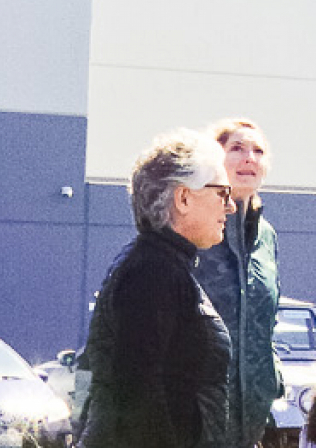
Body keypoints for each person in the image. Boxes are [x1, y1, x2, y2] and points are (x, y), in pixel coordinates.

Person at [77, 130, 236, 448]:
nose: (230, 206)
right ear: (184, 198)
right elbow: (138, 392)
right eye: (222, 192)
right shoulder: (152, 272)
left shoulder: (164, 266)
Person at [194, 117, 283, 448]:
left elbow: (267, 324)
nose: (250, 158)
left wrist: (272, 384)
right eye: (237, 149)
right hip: (196, 419)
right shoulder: (194, 227)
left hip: (251, 423)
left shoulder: (267, 237)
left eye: (258, 151)